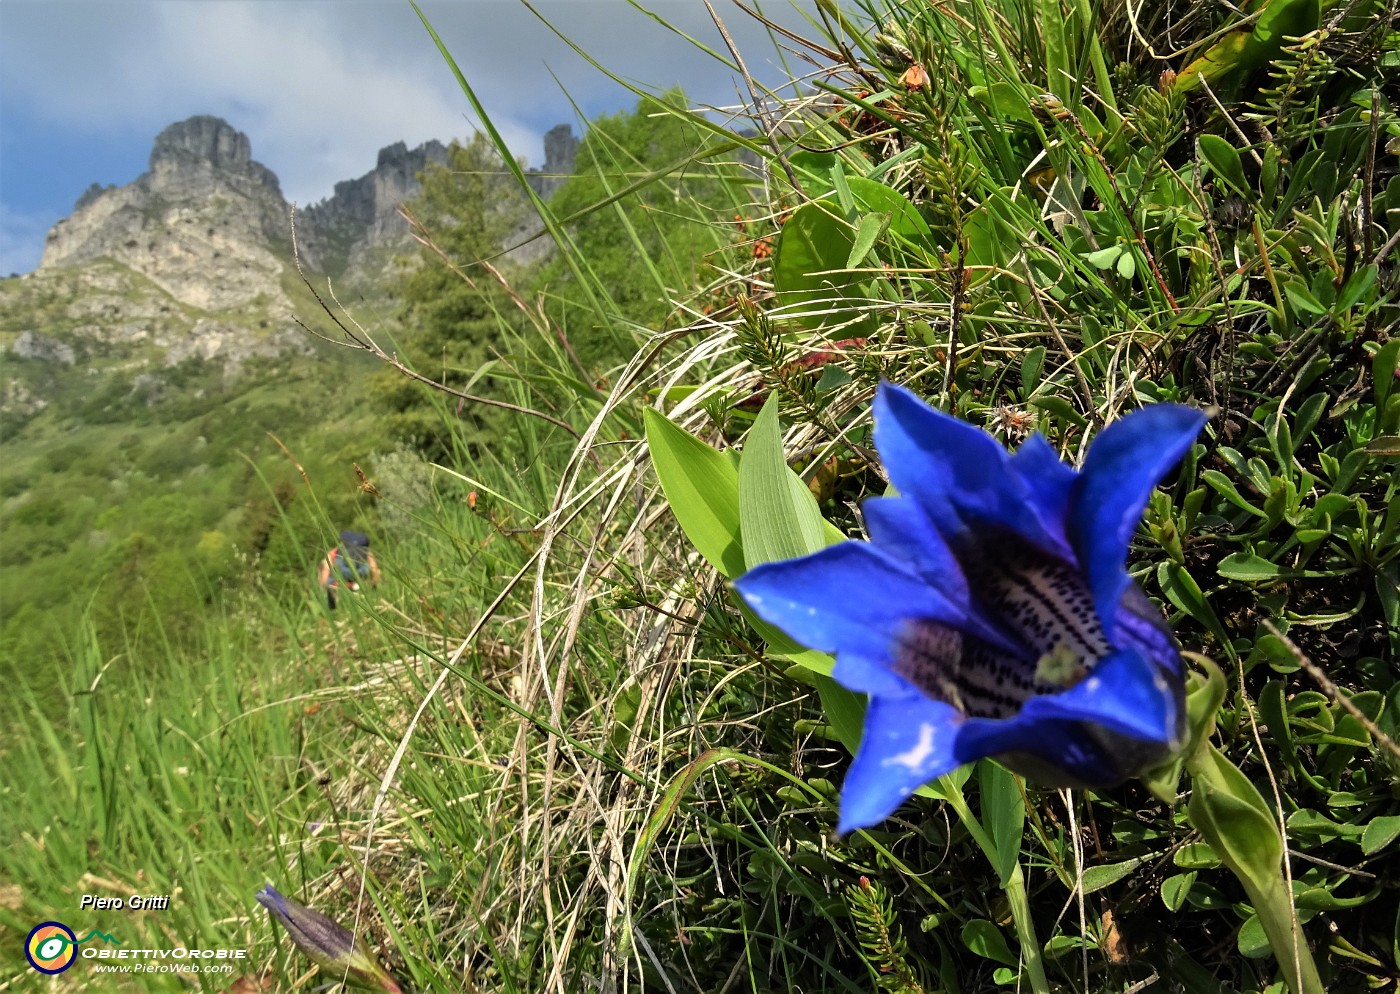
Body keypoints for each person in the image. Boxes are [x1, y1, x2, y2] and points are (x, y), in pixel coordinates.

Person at [318, 530, 381, 609]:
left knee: (330, 581)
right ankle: (332, 606)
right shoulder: (335, 553)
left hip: (351, 574)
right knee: (331, 581)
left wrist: (324, 584)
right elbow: (373, 567)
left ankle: (332, 606)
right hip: (349, 575)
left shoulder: (335, 552)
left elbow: (326, 569)